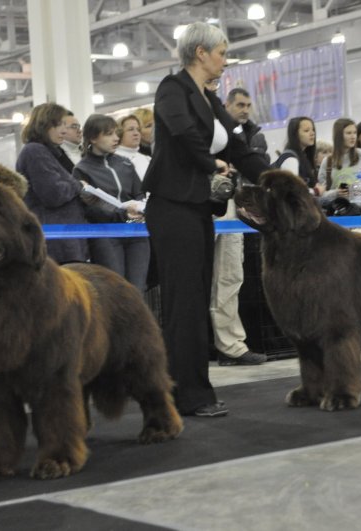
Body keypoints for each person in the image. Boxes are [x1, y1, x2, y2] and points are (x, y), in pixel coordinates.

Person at [141, 22, 269, 417]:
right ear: (201, 53)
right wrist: (210, 162)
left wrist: (272, 177)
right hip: (172, 206)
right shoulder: (172, 88)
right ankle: (188, 395)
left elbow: (237, 144)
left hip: (197, 207)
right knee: (184, 303)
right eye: (222, 53)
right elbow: (182, 135)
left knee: (197, 300)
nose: (224, 61)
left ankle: (195, 390)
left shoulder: (210, 99)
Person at [207, 85, 269, 367]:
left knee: (231, 276)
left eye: (248, 105)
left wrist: (274, 179)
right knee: (197, 280)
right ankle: (199, 347)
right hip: (197, 203)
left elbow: (249, 161)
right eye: (239, 104)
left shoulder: (242, 134)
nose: (244, 110)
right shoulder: (189, 118)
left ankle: (231, 345)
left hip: (231, 204)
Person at [73, 114, 149, 293]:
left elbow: (139, 192)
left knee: (137, 290)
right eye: (109, 134)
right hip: (106, 235)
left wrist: (139, 208)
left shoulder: (125, 163)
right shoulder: (81, 169)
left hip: (135, 231)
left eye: (116, 133)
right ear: (93, 138)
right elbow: (90, 204)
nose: (116, 138)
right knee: (115, 291)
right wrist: (122, 213)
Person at [16, 102, 89, 264]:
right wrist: (78, 185)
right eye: (58, 125)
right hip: (56, 243)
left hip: (64, 240)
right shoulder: (35, 151)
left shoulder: (47, 152)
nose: (63, 130)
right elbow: (53, 194)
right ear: (43, 125)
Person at [318, 117, 361, 205]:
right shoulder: (327, 161)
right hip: (336, 211)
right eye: (348, 133)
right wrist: (336, 193)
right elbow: (320, 196)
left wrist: (355, 190)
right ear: (338, 135)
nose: (353, 136)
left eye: (355, 133)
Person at [273, 116, 319, 192]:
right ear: (295, 135)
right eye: (306, 130)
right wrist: (316, 191)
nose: (312, 133)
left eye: (313, 130)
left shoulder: (305, 156)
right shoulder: (290, 159)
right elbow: (292, 190)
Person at [115, 114, 151, 182]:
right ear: (119, 133)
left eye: (138, 129)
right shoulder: (113, 160)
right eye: (130, 129)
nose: (136, 133)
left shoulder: (147, 159)